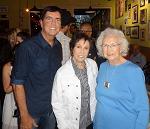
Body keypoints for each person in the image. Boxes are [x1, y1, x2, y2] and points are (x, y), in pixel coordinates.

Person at [11, 6, 62, 129]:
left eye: (57, 19)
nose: (53, 23)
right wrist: (24, 116)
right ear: (41, 23)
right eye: (49, 19)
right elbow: (17, 83)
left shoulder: (58, 46)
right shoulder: (27, 47)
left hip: (51, 110)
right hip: (32, 112)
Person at [94, 27, 149, 129]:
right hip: (100, 124)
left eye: (113, 45)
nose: (109, 49)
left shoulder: (134, 71)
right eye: (105, 45)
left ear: (121, 46)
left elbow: (143, 109)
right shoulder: (102, 67)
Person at [52, 32, 98, 129]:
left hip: (90, 121)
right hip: (71, 124)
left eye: (86, 48)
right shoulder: (62, 73)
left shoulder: (93, 65)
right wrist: (63, 126)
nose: (82, 52)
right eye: (78, 47)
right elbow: (57, 103)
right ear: (72, 48)